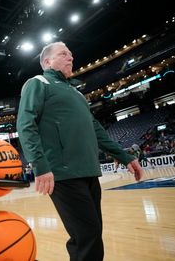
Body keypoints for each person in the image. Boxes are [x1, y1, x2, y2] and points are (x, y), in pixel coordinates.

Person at [16, 42, 143, 261]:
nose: (70, 58)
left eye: (71, 54)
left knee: (90, 235)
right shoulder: (38, 82)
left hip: (89, 171)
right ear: (47, 62)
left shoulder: (75, 92)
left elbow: (96, 129)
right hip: (62, 173)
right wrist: (40, 165)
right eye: (63, 54)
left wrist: (125, 156)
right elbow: (25, 125)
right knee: (87, 236)